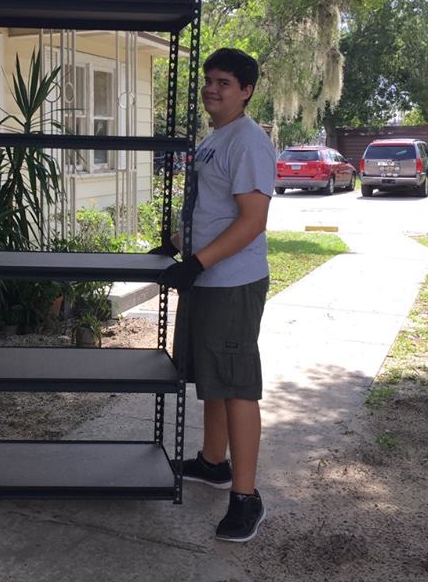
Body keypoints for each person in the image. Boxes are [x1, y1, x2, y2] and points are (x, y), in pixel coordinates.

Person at [159, 47, 275, 542]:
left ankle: (247, 498)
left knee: (237, 385)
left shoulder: (248, 142)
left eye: (224, 82)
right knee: (213, 377)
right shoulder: (216, 138)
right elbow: (210, 209)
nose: (211, 88)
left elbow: (252, 221)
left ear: (246, 91)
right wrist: (178, 244)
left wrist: (198, 262)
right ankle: (213, 462)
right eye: (209, 80)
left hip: (231, 282)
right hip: (207, 276)